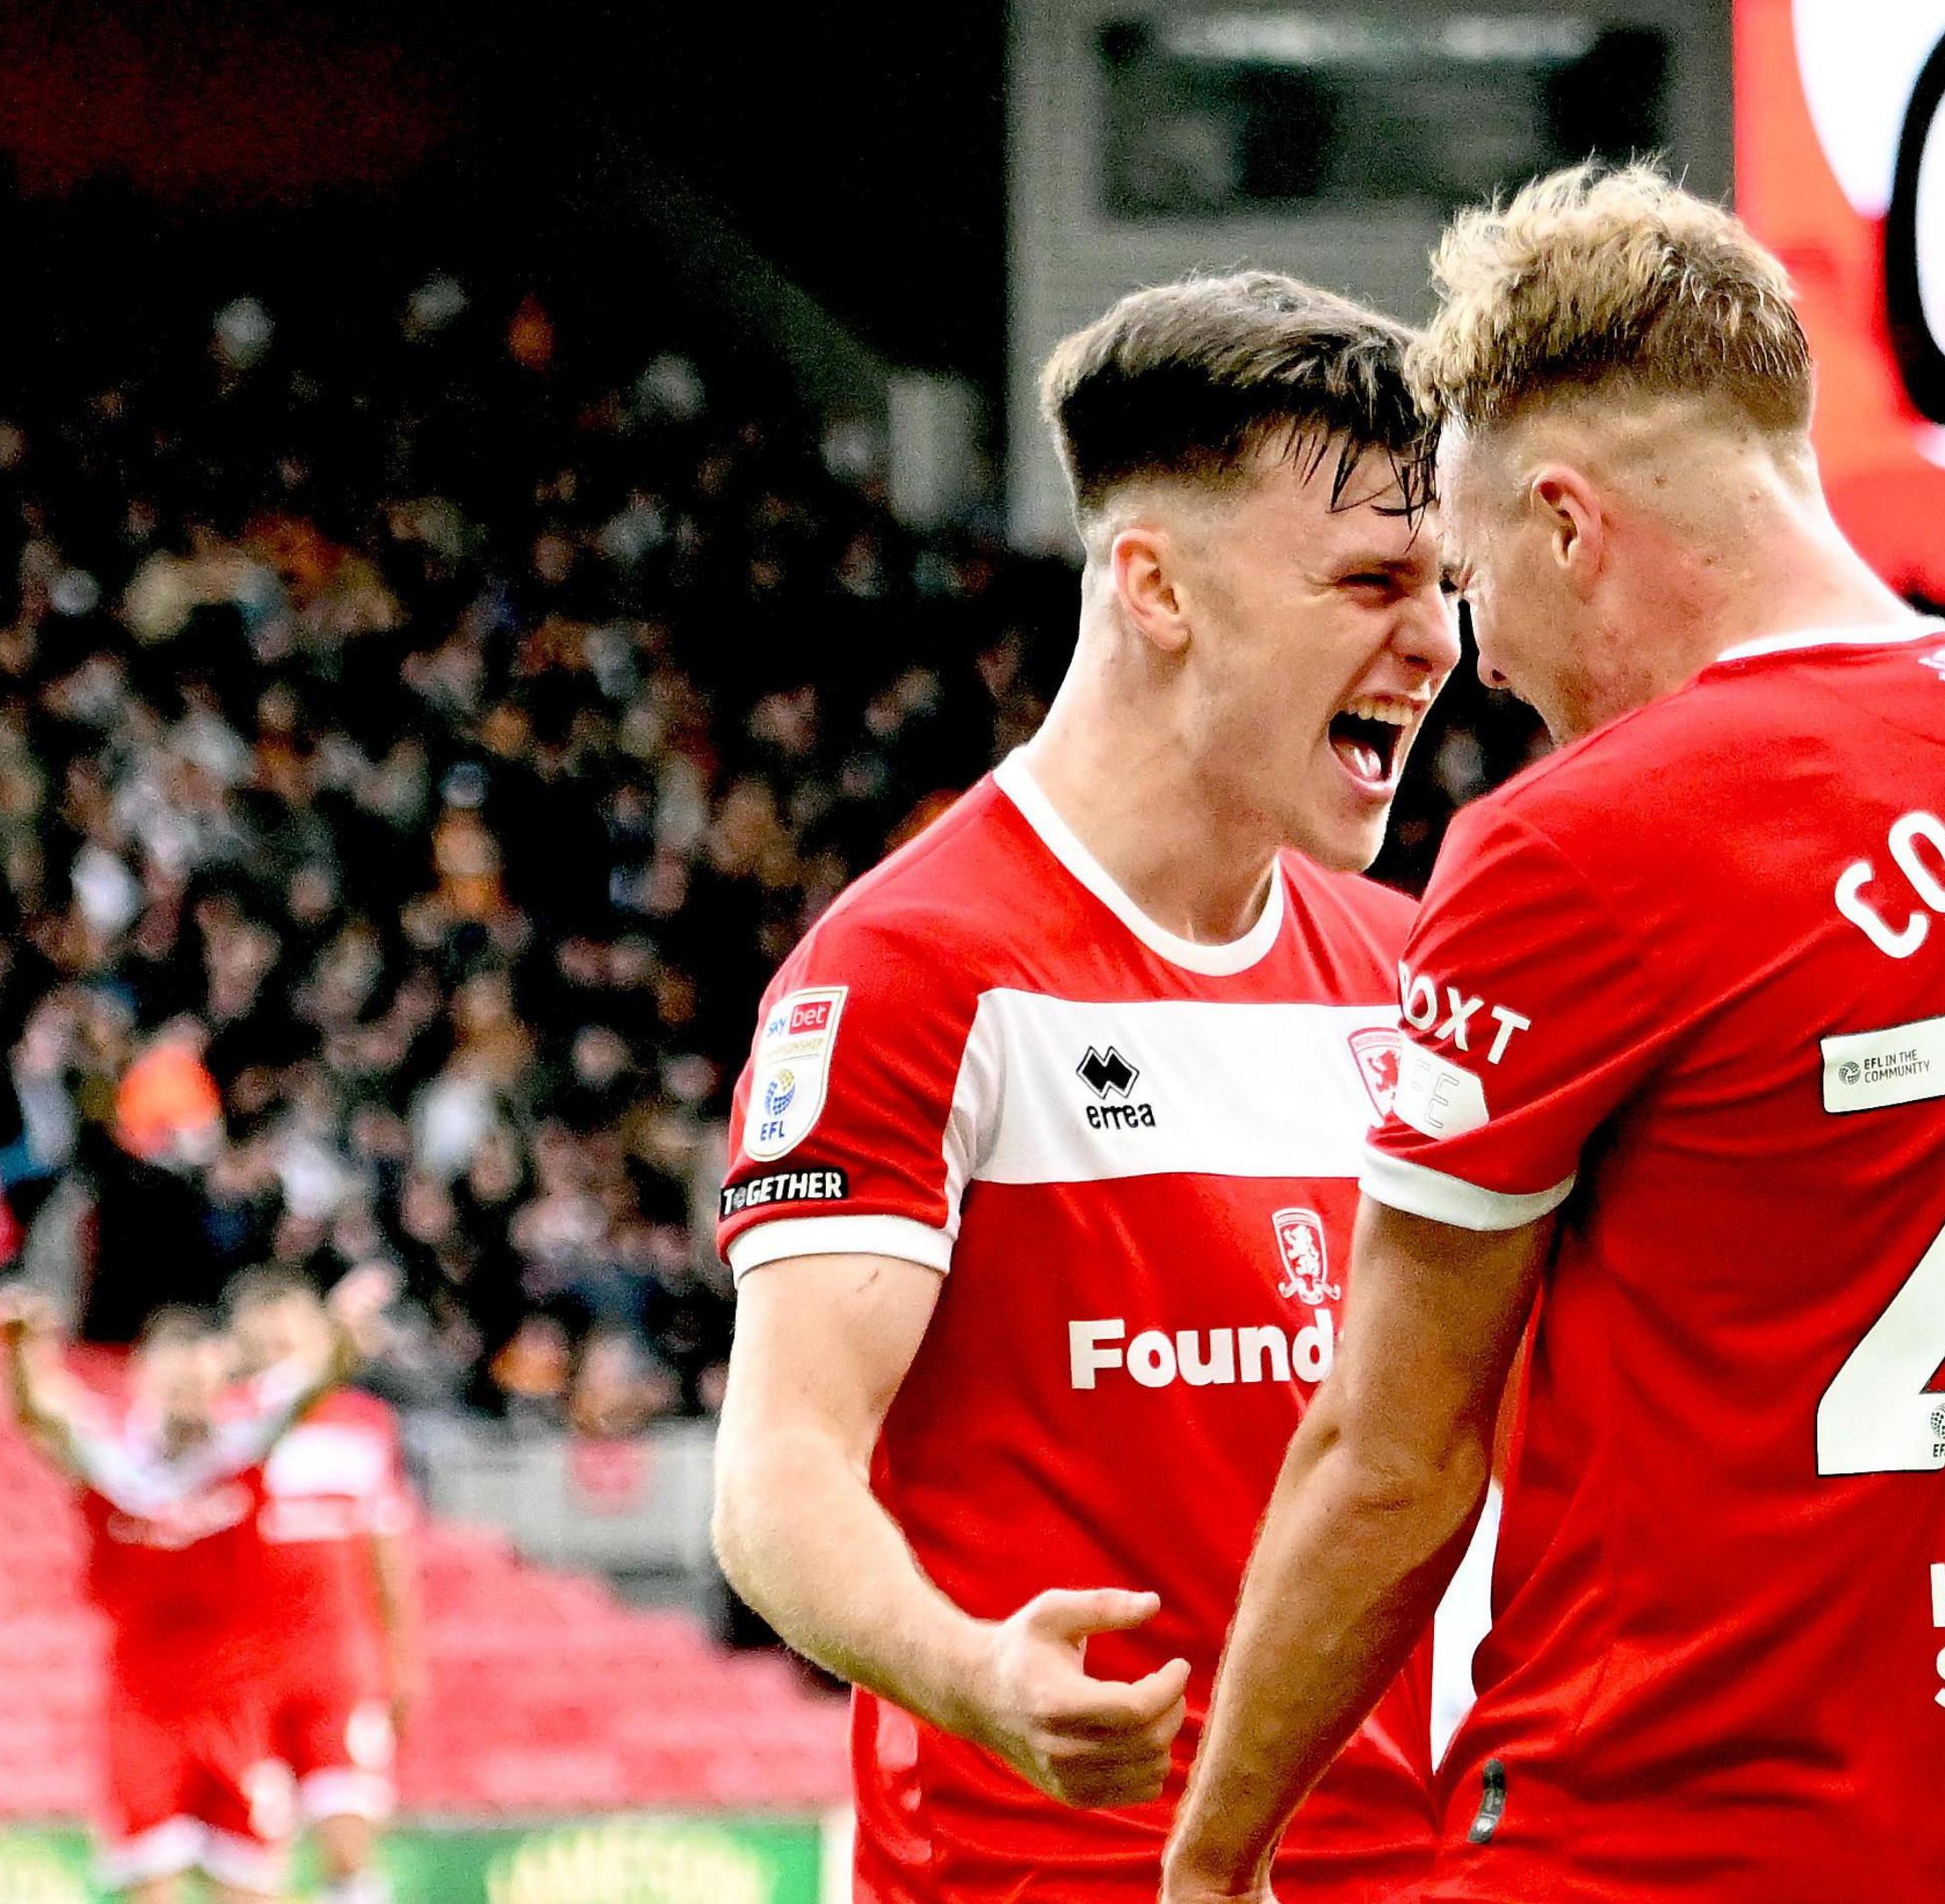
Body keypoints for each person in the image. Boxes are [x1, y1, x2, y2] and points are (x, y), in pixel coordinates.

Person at [1164, 164, 1945, 1903]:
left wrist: (1213, 1862)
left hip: (1659, 1843)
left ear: (1571, 524)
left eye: (1479, 587)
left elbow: (1396, 1455)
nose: (1482, 670)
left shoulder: (1590, 843)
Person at [706, 272, 1461, 1903]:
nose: (1439, 639)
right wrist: (976, 1677)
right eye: (1370, 579)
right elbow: (776, 1479)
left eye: (1447, 581)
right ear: (1156, 587)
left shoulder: (1422, 971)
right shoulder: (910, 971)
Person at [0, 1270, 390, 1903]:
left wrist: (341, 1334)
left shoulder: (243, 1451)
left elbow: (316, 1383)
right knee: (154, 1891)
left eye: (201, 1379)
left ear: (220, 1382)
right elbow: (39, 1412)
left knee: (252, 1891)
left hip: (240, 1701)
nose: (188, 1391)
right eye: (174, 1376)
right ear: (142, 1376)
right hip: (146, 1707)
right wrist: (19, 1351)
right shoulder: (113, 1464)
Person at [226, 1268, 421, 1904]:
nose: (279, 1343)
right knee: (253, 1868)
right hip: (245, 1674)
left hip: (337, 1668)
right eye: (266, 1334)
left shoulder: (365, 1425)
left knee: (347, 1845)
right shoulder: (226, 1427)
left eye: (292, 1329)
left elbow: (387, 1552)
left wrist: (402, 1661)